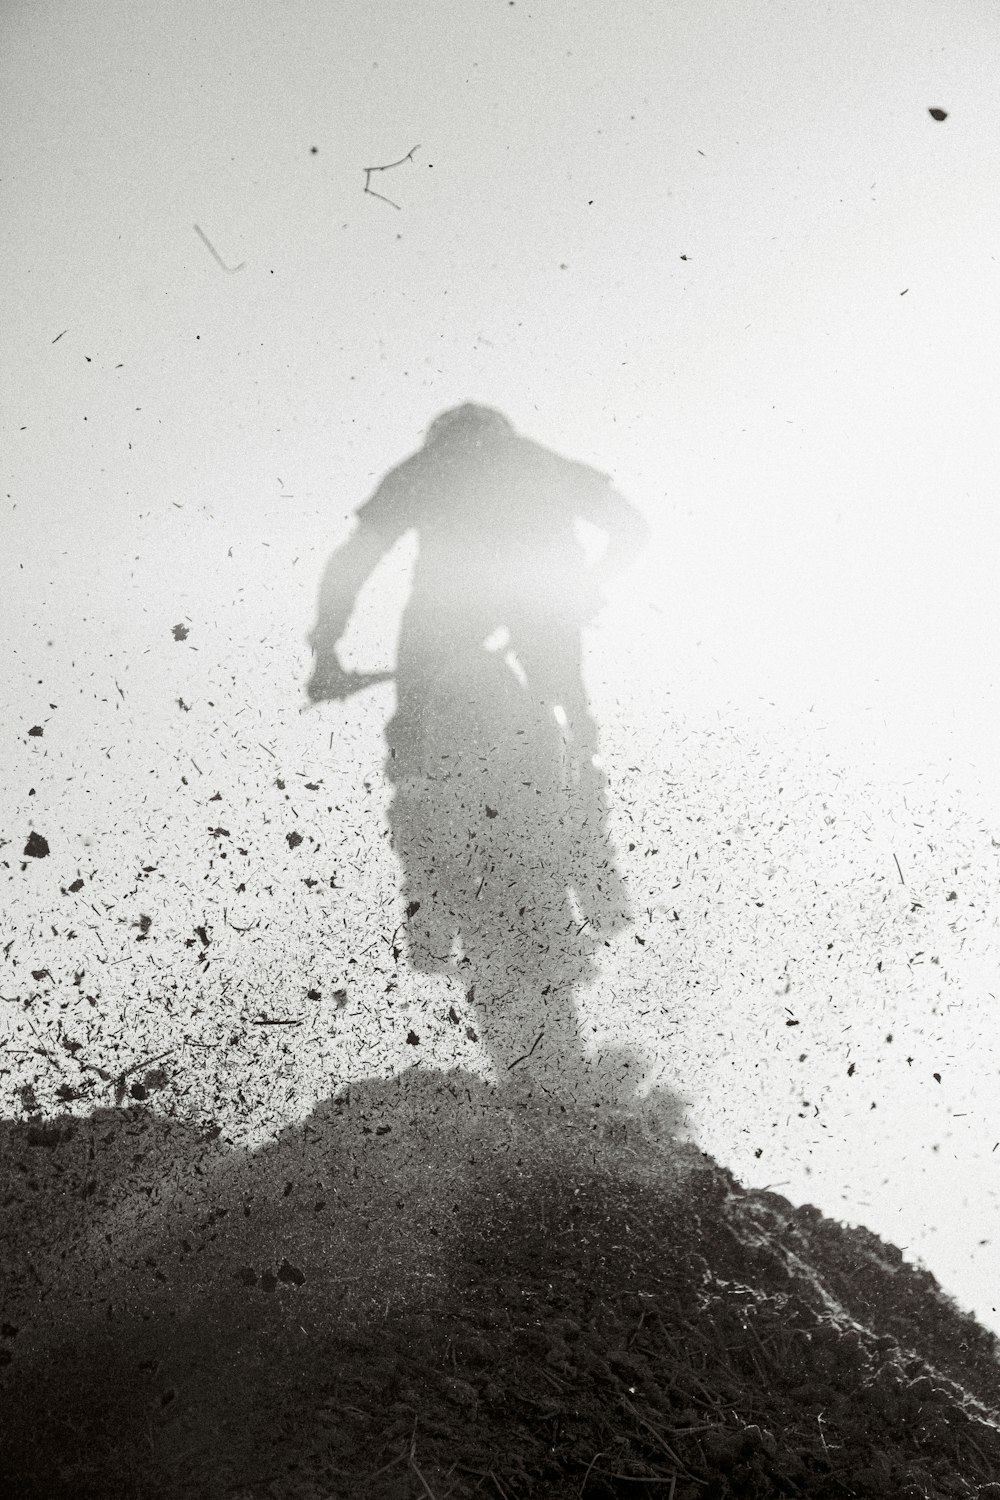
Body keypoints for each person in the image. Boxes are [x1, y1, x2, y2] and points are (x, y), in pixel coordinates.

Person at [307, 403, 650, 1104]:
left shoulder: (431, 466)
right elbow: (631, 528)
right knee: (572, 741)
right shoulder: (537, 461)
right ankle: (599, 880)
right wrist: (590, 584)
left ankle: (429, 911)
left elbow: (353, 559)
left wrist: (326, 648)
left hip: (446, 627)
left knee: (416, 770)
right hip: (542, 617)